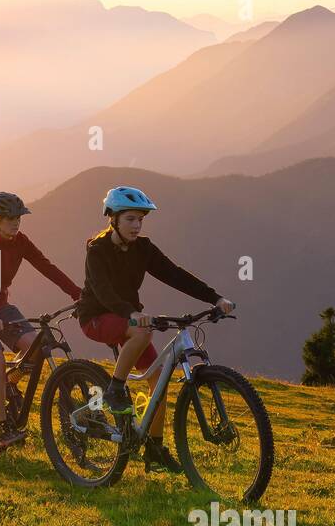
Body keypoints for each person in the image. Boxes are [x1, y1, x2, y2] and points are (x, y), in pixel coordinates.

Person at [76, 186, 234, 472]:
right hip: (96, 317)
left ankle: (154, 447)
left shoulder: (143, 248)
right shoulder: (97, 250)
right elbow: (102, 292)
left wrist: (215, 297)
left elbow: (174, 274)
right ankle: (115, 389)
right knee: (142, 332)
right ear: (113, 218)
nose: (137, 225)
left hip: (129, 319)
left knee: (158, 380)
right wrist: (132, 314)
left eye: (140, 220)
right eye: (130, 219)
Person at [0, 192, 81, 447]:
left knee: (36, 349)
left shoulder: (20, 242)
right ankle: (2, 429)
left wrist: (77, 292)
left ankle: (7, 386)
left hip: (0, 306)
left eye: (18, 217)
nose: (16, 222)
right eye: (10, 218)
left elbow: (46, 266)